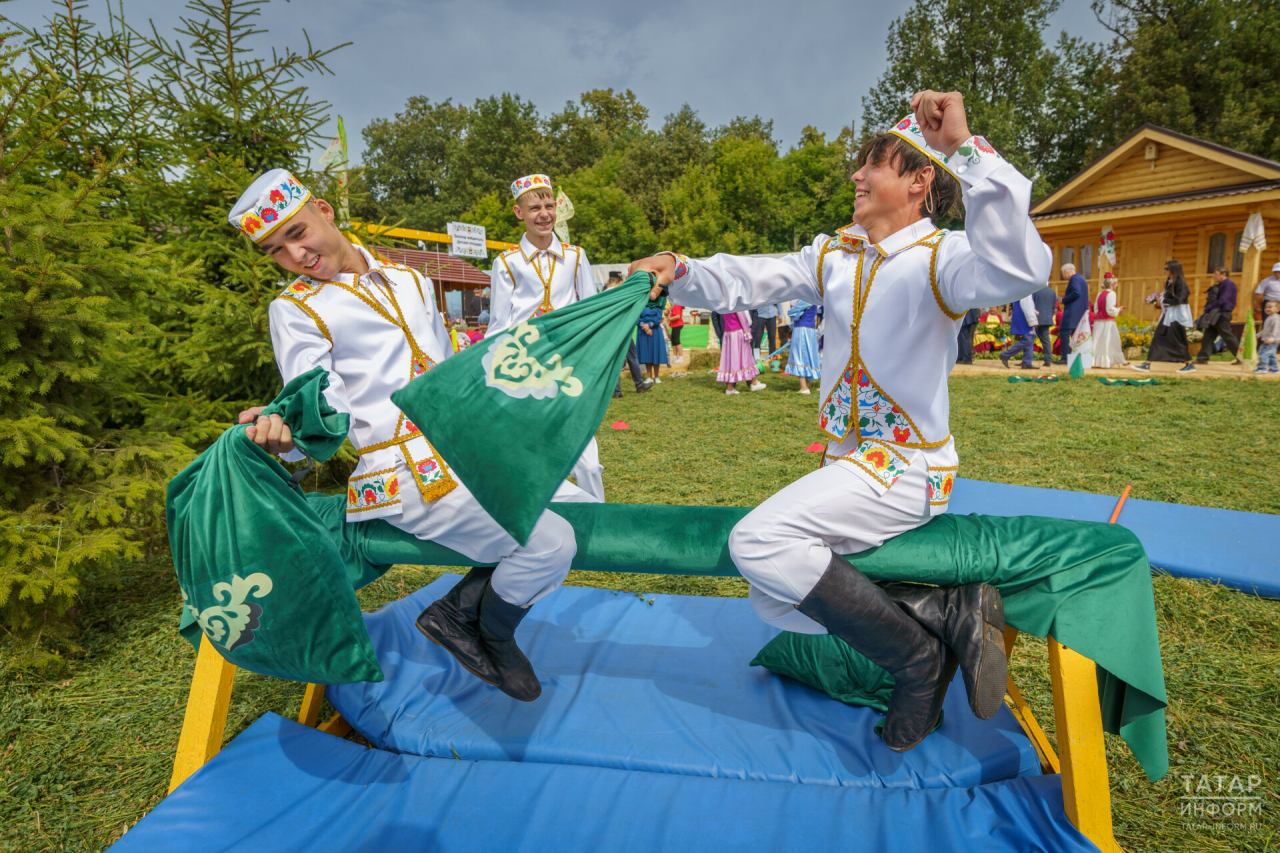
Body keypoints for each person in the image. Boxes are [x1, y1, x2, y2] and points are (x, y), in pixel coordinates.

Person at [630, 91, 1050, 751]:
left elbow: (1022, 267)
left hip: (908, 467)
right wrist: (679, 268)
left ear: (919, 182)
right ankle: (941, 612)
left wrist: (964, 149)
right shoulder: (834, 256)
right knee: (771, 598)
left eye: (874, 164)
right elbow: (749, 277)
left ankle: (916, 658)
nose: (856, 175)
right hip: (849, 469)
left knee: (757, 544)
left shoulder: (943, 260)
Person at [229, 170, 582, 702]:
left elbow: (446, 365)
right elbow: (320, 400)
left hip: (467, 447)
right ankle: (489, 630)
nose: (295, 255)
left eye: (297, 233)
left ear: (323, 210)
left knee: (582, 501)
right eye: (275, 250)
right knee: (553, 541)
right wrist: (289, 434)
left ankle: (460, 609)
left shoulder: (409, 278)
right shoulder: (296, 309)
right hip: (402, 473)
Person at [487, 174, 604, 501]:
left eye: (549, 205)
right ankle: (542, 526)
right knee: (532, 459)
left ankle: (600, 529)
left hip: (569, 369)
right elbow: (498, 325)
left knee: (590, 466)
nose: (544, 213)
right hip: (526, 372)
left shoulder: (576, 257)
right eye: (534, 207)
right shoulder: (506, 263)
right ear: (518, 212)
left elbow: (591, 310)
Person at [1132, 260, 1194, 372]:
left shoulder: (1181, 283)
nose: (1164, 271)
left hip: (1177, 316)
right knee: (1159, 336)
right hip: (1169, 315)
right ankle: (1147, 363)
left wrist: (1163, 300)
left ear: (1173, 270)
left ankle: (1189, 363)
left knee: (1178, 339)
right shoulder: (1170, 282)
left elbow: (1179, 300)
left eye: (1166, 268)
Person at [606, 271, 654, 397]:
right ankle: (639, 386)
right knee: (632, 358)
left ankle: (616, 391)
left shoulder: (603, 295)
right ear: (620, 282)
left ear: (609, 281)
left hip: (610, 333)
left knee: (614, 361)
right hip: (624, 331)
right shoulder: (621, 293)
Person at [1196, 267, 1242, 366]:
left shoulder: (1228, 284)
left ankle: (1241, 358)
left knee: (1228, 336)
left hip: (1223, 313)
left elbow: (1223, 300)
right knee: (1208, 335)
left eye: (1216, 274)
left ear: (1224, 274)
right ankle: (1202, 358)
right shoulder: (1221, 285)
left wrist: (1208, 307)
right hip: (1216, 314)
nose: (1214, 276)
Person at [715, 310, 765, 394]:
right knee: (747, 356)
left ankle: (730, 388)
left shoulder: (724, 302)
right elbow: (744, 318)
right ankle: (753, 383)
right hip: (738, 332)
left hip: (728, 333)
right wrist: (747, 331)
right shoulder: (737, 302)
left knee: (730, 360)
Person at [1090, 272, 1128, 368]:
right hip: (1108, 321)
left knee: (1098, 341)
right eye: (1116, 284)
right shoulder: (1112, 294)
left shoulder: (1100, 294)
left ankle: (1095, 361)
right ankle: (1107, 362)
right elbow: (1110, 310)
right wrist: (1119, 309)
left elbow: (1096, 309)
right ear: (1111, 285)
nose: (1117, 285)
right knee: (1110, 340)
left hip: (1098, 321)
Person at [1054, 263, 1088, 364]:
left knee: (1064, 332)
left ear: (1066, 272)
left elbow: (1076, 292)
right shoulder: (1081, 279)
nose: (1063, 276)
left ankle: (1065, 357)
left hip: (1072, 312)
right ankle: (1075, 357)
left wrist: (1063, 300)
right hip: (1080, 312)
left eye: (1062, 274)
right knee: (1076, 335)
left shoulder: (1074, 279)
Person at [785, 300, 822, 392]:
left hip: (801, 329)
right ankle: (806, 386)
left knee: (800, 356)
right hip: (811, 330)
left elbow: (791, 311)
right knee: (809, 357)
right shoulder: (814, 300)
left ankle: (804, 387)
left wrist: (797, 315)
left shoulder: (806, 299)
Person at [637, 289, 669, 383]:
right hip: (643, 329)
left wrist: (650, 325)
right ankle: (649, 376)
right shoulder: (641, 301)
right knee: (647, 353)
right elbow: (636, 316)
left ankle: (657, 376)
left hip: (655, 329)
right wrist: (645, 326)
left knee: (655, 353)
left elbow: (659, 317)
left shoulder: (659, 301)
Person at [999, 294, 1038, 369]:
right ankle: (1006, 355)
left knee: (1030, 338)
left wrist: (1035, 312)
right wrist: (1033, 321)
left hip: (1021, 316)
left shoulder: (1023, 290)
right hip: (1025, 318)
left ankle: (1027, 362)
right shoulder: (1027, 291)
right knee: (1027, 340)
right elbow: (1027, 306)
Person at [1031, 284, 1057, 368]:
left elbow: (1032, 305)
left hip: (1035, 318)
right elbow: (1053, 306)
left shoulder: (1034, 291)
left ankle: (1027, 359)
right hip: (1047, 318)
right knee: (1046, 340)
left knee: (1029, 339)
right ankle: (1048, 360)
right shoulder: (1052, 291)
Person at [1256, 300, 1280, 374]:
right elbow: (1266, 330)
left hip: (1271, 341)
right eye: (1266, 307)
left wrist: (1272, 338)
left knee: (1263, 353)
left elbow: (1276, 330)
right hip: (1269, 340)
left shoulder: (1275, 318)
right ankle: (1274, 369)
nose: (1267, 309)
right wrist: (1258, 335)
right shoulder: (1269, 317)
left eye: (1270, 307)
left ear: (1278, 309)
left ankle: (1262, 368)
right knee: (1271, 355)